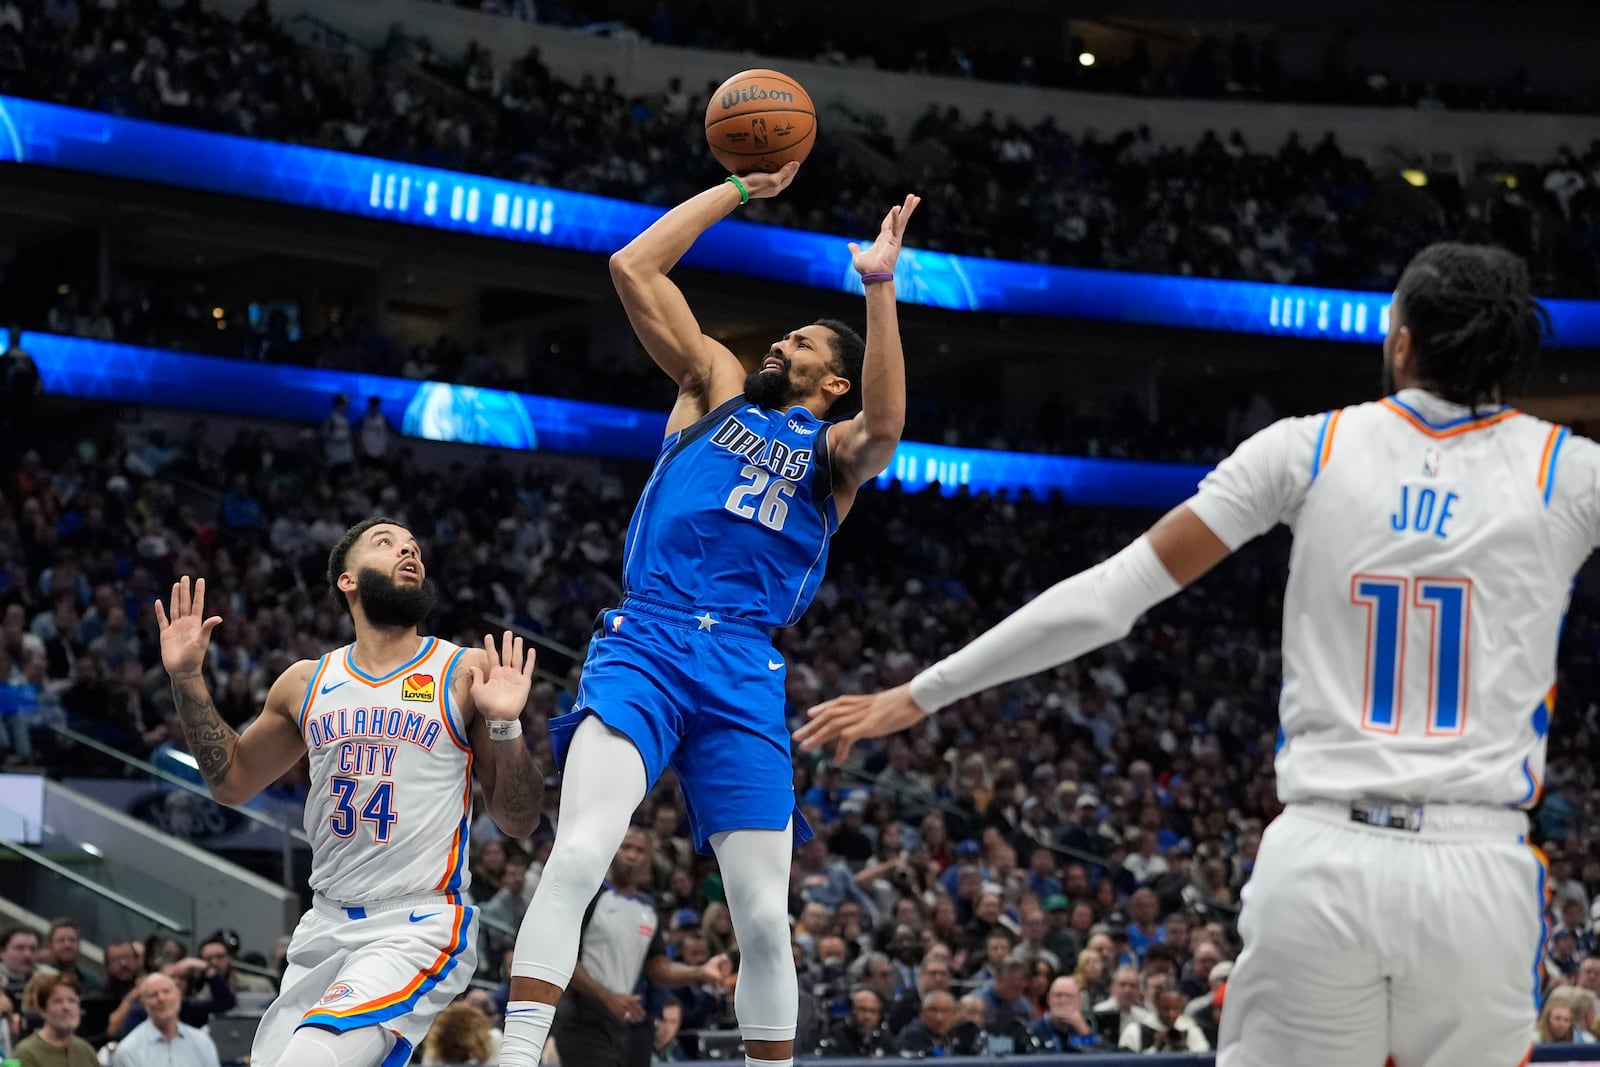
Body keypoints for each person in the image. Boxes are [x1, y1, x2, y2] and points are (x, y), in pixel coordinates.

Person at [797, 242, 1559, 1067]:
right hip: (1481, 860)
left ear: (1400, 343)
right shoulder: (1571, 470)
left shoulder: (1309, 447)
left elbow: (1107, 596)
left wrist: (920, 692)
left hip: (1327, 853)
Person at [501, 161, 920, 1067]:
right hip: (647, 637)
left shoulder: (835, 454)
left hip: (742, 665)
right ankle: (515, 1052)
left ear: (833, 382)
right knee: (579, 851)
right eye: (785, 336)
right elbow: (633, 268)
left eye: (803, 345)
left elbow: (886, 428)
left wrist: (877, 287)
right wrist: (738, 189)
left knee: (765, 916)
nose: (782, 346)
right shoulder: (714, 384)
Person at [155, 516, 544, 1067]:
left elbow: (519, 820)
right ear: (347, 580)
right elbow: (232, 781)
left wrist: (506, 727)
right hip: (325, 925)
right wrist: (187, 677)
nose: (409, 552)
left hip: (419, 923)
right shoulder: (306, 681)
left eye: (414, 546)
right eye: (386, 544)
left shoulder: (463, 671)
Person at [550, 827, 732, 1067]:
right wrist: (607, 996)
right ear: (612, 851)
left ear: (649, 860)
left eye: (639, 851)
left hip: (627, 1019)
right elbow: (564, 958)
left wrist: (700, 972)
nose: (632, 856)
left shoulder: (648, 908)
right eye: (626, 848)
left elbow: (658, 968)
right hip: (582, 1019)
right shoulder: (589, 896)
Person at [108, 974, 219, 1067]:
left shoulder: (202, 1042)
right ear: (143, 1003)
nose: (161, 999)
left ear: (178, 995)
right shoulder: (128, 1050)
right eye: (153, 995)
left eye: (166, 991)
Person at [13, 974, 97, 1067]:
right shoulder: (26, 1053)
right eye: (58, 1001)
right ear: (42, 1010)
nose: (66, 1007)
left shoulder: (86, 1050)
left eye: (72, 1000)